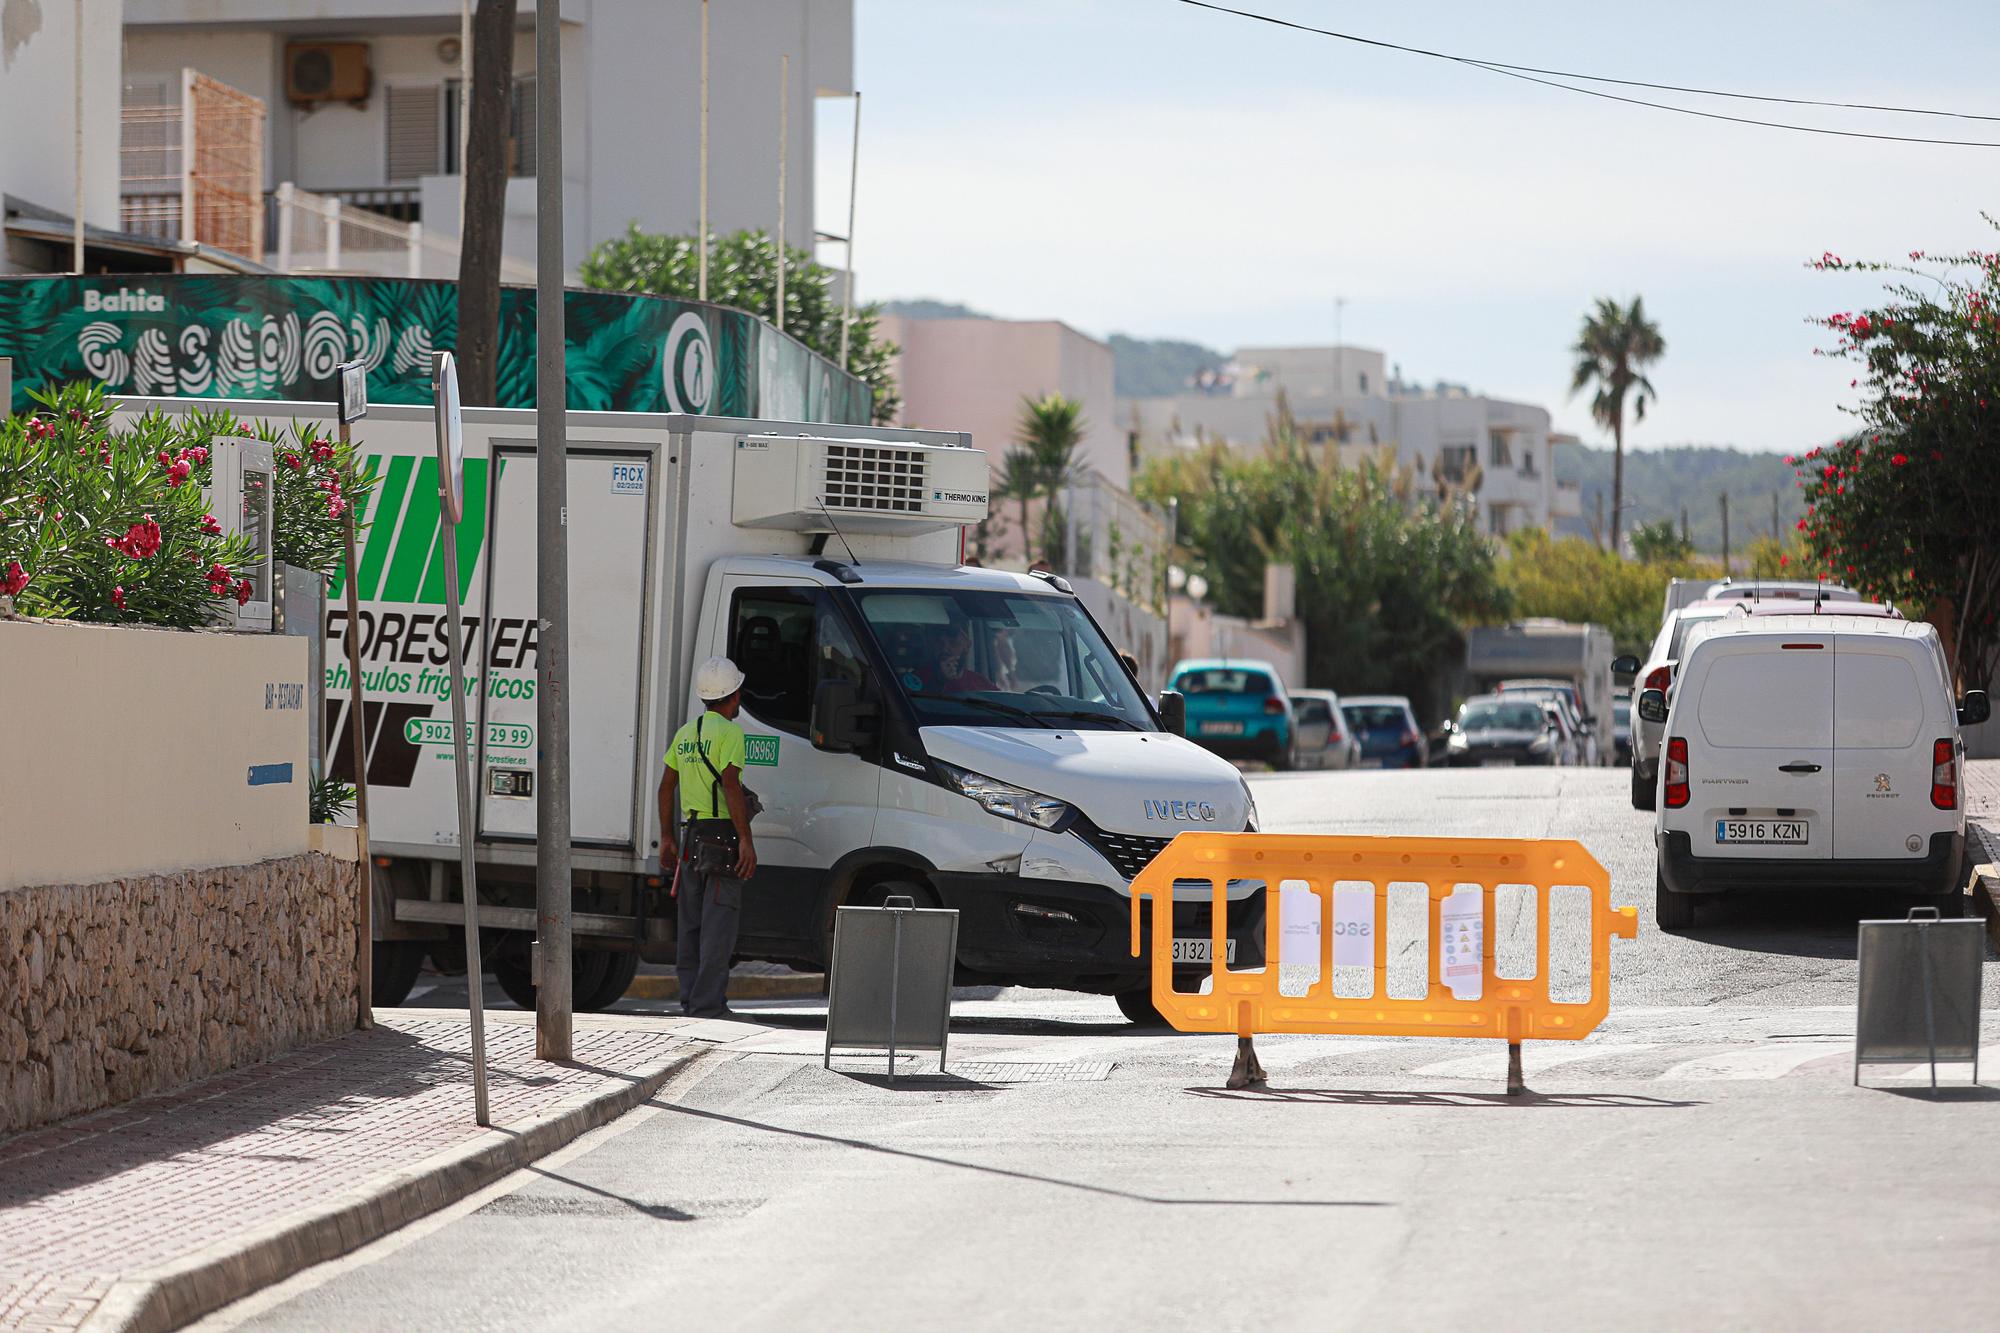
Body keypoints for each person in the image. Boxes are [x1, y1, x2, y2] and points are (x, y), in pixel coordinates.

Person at [658, 657, 758, 1019]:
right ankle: (708, 1005)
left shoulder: (686, 733)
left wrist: (667, 838)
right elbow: (730, 786)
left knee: (691, 924)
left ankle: (690, 998)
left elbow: (666, 787)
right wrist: (745, 840)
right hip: (721, 838)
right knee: (718, 925)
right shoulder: (732, 734)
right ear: (734, 695)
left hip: (690, 837)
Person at [922, 613, 996, 692]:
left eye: (953, 643)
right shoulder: (917, 680)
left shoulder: (981, 684)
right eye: (939, 643)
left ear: (967, 646)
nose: (945, 649)